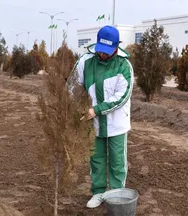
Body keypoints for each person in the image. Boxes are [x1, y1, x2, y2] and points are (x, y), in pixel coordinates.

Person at [68, 25, 134, 208]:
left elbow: (121, 97)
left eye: (108, 51)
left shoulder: (124, 65)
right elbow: (73, 86)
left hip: (116, 122)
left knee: (117, 161)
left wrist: (95, 110)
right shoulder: (86, 61)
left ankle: (116, 194)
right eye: (101, 50)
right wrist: (76, 108)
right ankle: (98, 192)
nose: (103, 55)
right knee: (96, 158)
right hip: (92, 122)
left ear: (116, 46)